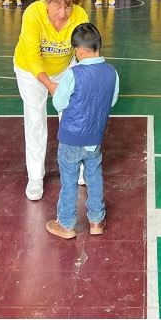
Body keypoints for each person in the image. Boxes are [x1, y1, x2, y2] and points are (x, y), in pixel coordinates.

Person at [13, 0, 90, 201]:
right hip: (30, 71)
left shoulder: (80, 16)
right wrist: (50, 86)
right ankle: (35, 177)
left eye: (68, 5)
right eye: (57, 5)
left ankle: (78, 167)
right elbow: (33, 57)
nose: (63, 12)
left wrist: (85, 80)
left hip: (64, 68)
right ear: (47, 1)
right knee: (36, 118)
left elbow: (83, 52)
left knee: (72, 117)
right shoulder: (33, 14)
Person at [46, 23, 120, 239]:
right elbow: (112, 100)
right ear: (98, 46)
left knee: (68, 180)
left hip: (71, 137)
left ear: (78, 51)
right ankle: (97, 221)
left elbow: (59, 103)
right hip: (95, 137)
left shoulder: (73, 73)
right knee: (94, 176)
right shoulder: (112, 72)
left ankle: (67, 224)